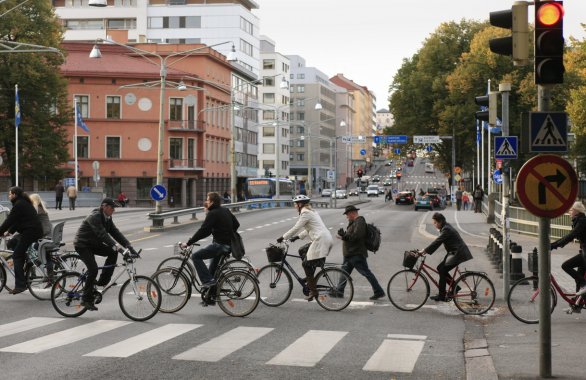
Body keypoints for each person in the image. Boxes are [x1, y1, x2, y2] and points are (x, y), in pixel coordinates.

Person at [73, 198, 136, 311]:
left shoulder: (107, 218)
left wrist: (128, 246)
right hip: (83, 244)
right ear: (104, 206)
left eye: (114, 208)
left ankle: (103, 281)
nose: (114, 210)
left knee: (113, 252)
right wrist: (120, 249)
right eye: (112, 208)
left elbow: (115, 232)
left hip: (93, 244)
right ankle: (85, 299)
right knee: (93, 269)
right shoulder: (95, 216)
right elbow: (103, 235)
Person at [277, 195, 333, 301]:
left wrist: (283, 237)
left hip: (320, 240)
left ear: (300, 204)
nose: (295, 206)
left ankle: (313, 291)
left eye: (295, 204)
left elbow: (296, 227)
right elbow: (310, 228)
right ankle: (309, 277)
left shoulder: (305, 213)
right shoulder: (311, 212)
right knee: (302, 250)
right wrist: (297, 237)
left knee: (305, 264)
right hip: (324, 238)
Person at [181, 192, 240, 292]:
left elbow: (203, 231)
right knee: (212, 271)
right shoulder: (225, 210)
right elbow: (236, 224)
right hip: (228, 245)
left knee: (195, 256)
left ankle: (207, 281)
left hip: (220, 245)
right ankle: (210, 297)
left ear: (212, 202)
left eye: (207, 200)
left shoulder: (212, 213)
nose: (206, 202)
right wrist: (226, 233)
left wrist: (189, 243)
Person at [334, 205, 385, 300]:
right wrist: (343, 236)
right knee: (344, 272)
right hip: (350, 253)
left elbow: (357, 236)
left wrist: (344, 236)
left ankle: (379, 291)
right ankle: (339, 291)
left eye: (347, 214)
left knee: (366, 273)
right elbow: (352, 236)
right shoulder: (354, 222)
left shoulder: (360, 221)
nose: (346, 217)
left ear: (352, 213)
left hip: (356, 253)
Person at [0, 187, 43, 294]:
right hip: (32, 231)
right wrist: (9, 232)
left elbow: (9, 220)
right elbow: (18, 221)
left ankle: (20, 285)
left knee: (16, 255)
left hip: (30, 232)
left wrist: (2, 230)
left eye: (10, 194)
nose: (9, 196)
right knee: (15, 244)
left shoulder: (19, 204)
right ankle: (27, 263)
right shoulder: (23, 203)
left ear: (14, 194)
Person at [421, 212, 473, 301]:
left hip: (458, 253)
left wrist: (425, 251)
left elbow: (437, 242)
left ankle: (442, 295)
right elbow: (438, 242)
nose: (434, 225)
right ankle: (455, 288)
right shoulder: (445, 227)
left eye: (435, 223)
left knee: (442, 269)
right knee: (440, 268)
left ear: (440, 222)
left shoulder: (446, 229)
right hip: (454, 252)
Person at [550, 201, 586, 313]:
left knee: (566, 266)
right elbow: (570, 236)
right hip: (584, 252)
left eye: (571, 209)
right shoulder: (579, 220)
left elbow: (571, 236)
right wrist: (554, 245)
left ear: (576, 211)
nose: (569, 211)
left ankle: (584, 285)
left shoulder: (582, 221)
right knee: (579, 278)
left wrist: (554, 245)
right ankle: (577, 305)